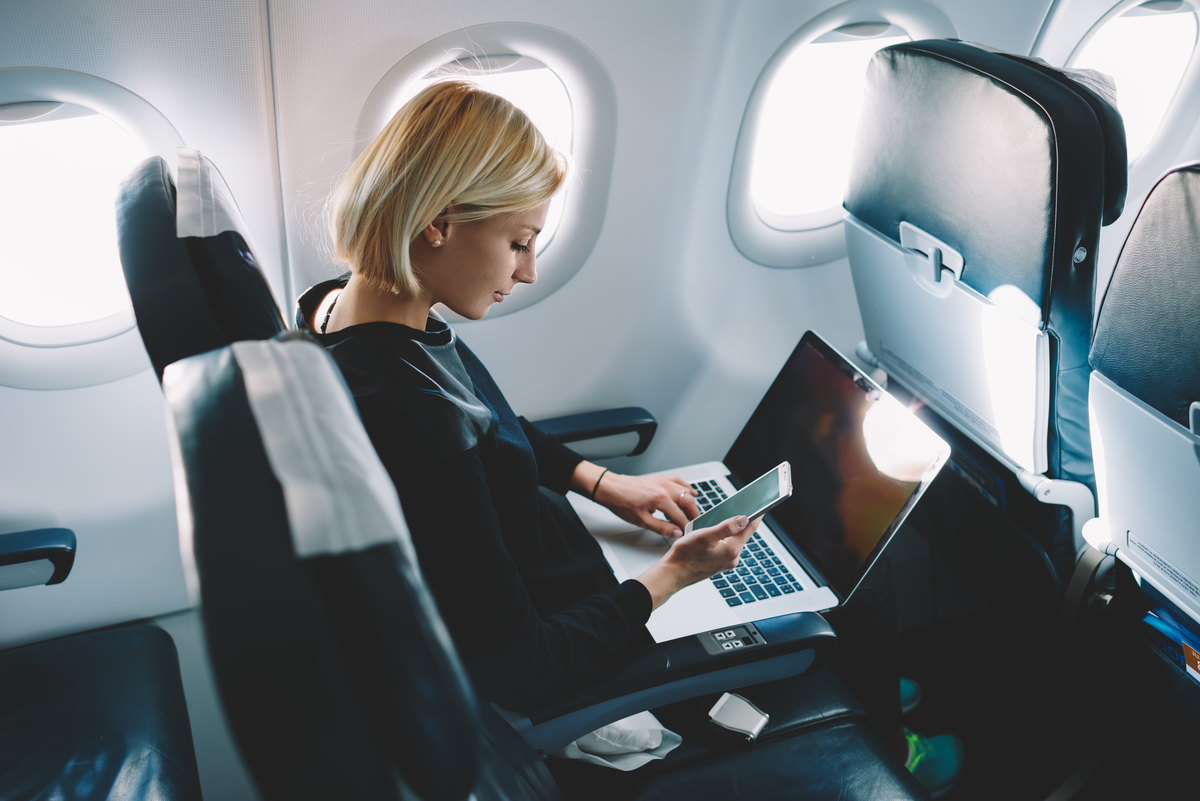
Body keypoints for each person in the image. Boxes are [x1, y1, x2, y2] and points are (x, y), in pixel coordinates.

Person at [305, 79, 963, 796]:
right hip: (591, 630)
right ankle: (887, 735)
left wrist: (605, 484)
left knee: (809, 550)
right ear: (437, 222)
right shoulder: (413, 420)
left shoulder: (346, 312)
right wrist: (675, 576)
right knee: (837, 572)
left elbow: (491, 427)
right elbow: (522, 666)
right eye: (518, 242)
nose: (527, 271)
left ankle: (863, 683)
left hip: (577, 560)